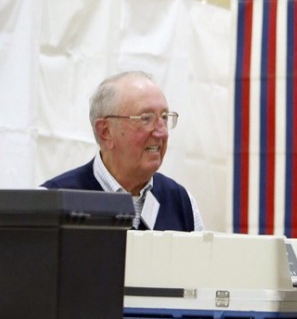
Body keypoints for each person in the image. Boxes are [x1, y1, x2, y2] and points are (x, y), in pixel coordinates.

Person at [43, 70, 203, 231]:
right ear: (105, 132)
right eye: (146, 118)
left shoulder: (182, 203)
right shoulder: (52, 203)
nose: (162, 132)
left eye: (164, 117)